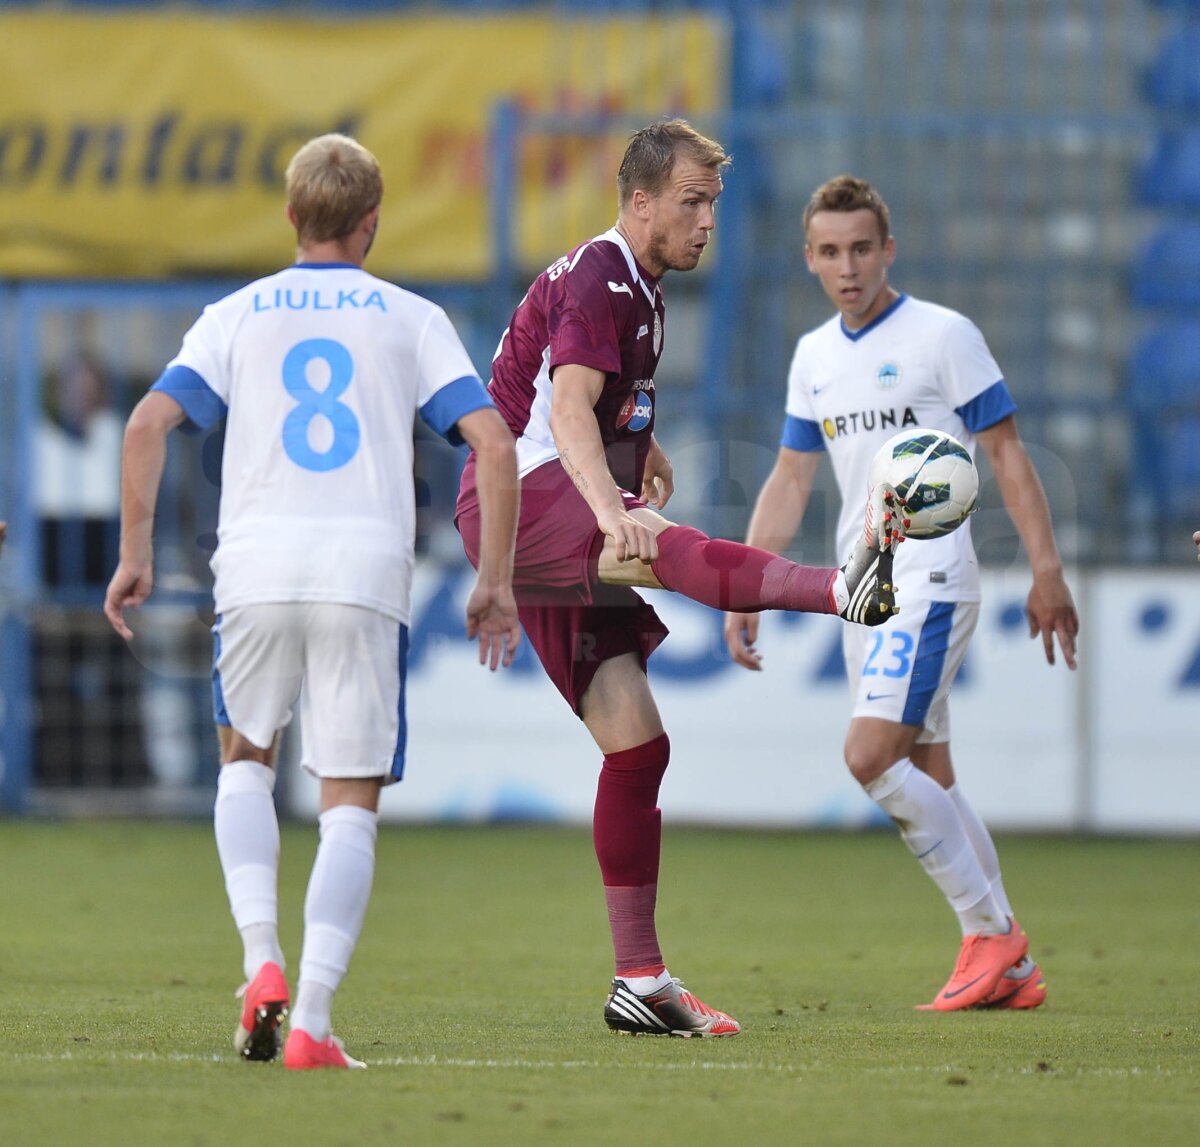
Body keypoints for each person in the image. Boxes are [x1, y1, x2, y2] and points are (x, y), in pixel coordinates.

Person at [455, 121, 903, 1039]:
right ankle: (839, 587)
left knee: (638, 749)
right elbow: (569, 408)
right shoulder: (603, 274)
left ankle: (640, 979)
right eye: (692, 203)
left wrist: (641, 443)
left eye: (715, 205)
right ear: (642, 201)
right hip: (522, 494)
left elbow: (581, 388)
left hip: (539, 493)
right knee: (661, 541)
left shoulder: (642, 290)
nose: (707, 223)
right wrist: (613, 505)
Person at [104, 133, 521, 1069]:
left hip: (252, 565)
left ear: (291, 217)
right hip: (363, 570)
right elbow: (492, 445)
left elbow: (146, 422)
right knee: (349, 802)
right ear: (373, 223)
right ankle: (314, 1024)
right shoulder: (411, 317)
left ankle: (261, 962)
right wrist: (493, 580)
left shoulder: (237, 314)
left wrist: (135, 555)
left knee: (245, 760)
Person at [724, 174, 1079, 1012]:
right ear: (809, 258)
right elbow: (788, 477)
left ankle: (989, 932)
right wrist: (747, 578)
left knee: (868, 756)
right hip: (862, 591)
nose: (848, 267)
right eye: (830, 252)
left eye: (861, 249)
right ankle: (1011, 969)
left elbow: (1007, 455)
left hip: (932, 578)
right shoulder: (814, 356)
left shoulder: (943, 336)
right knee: (930, 770)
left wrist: (1048, 569)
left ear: (889, 249)